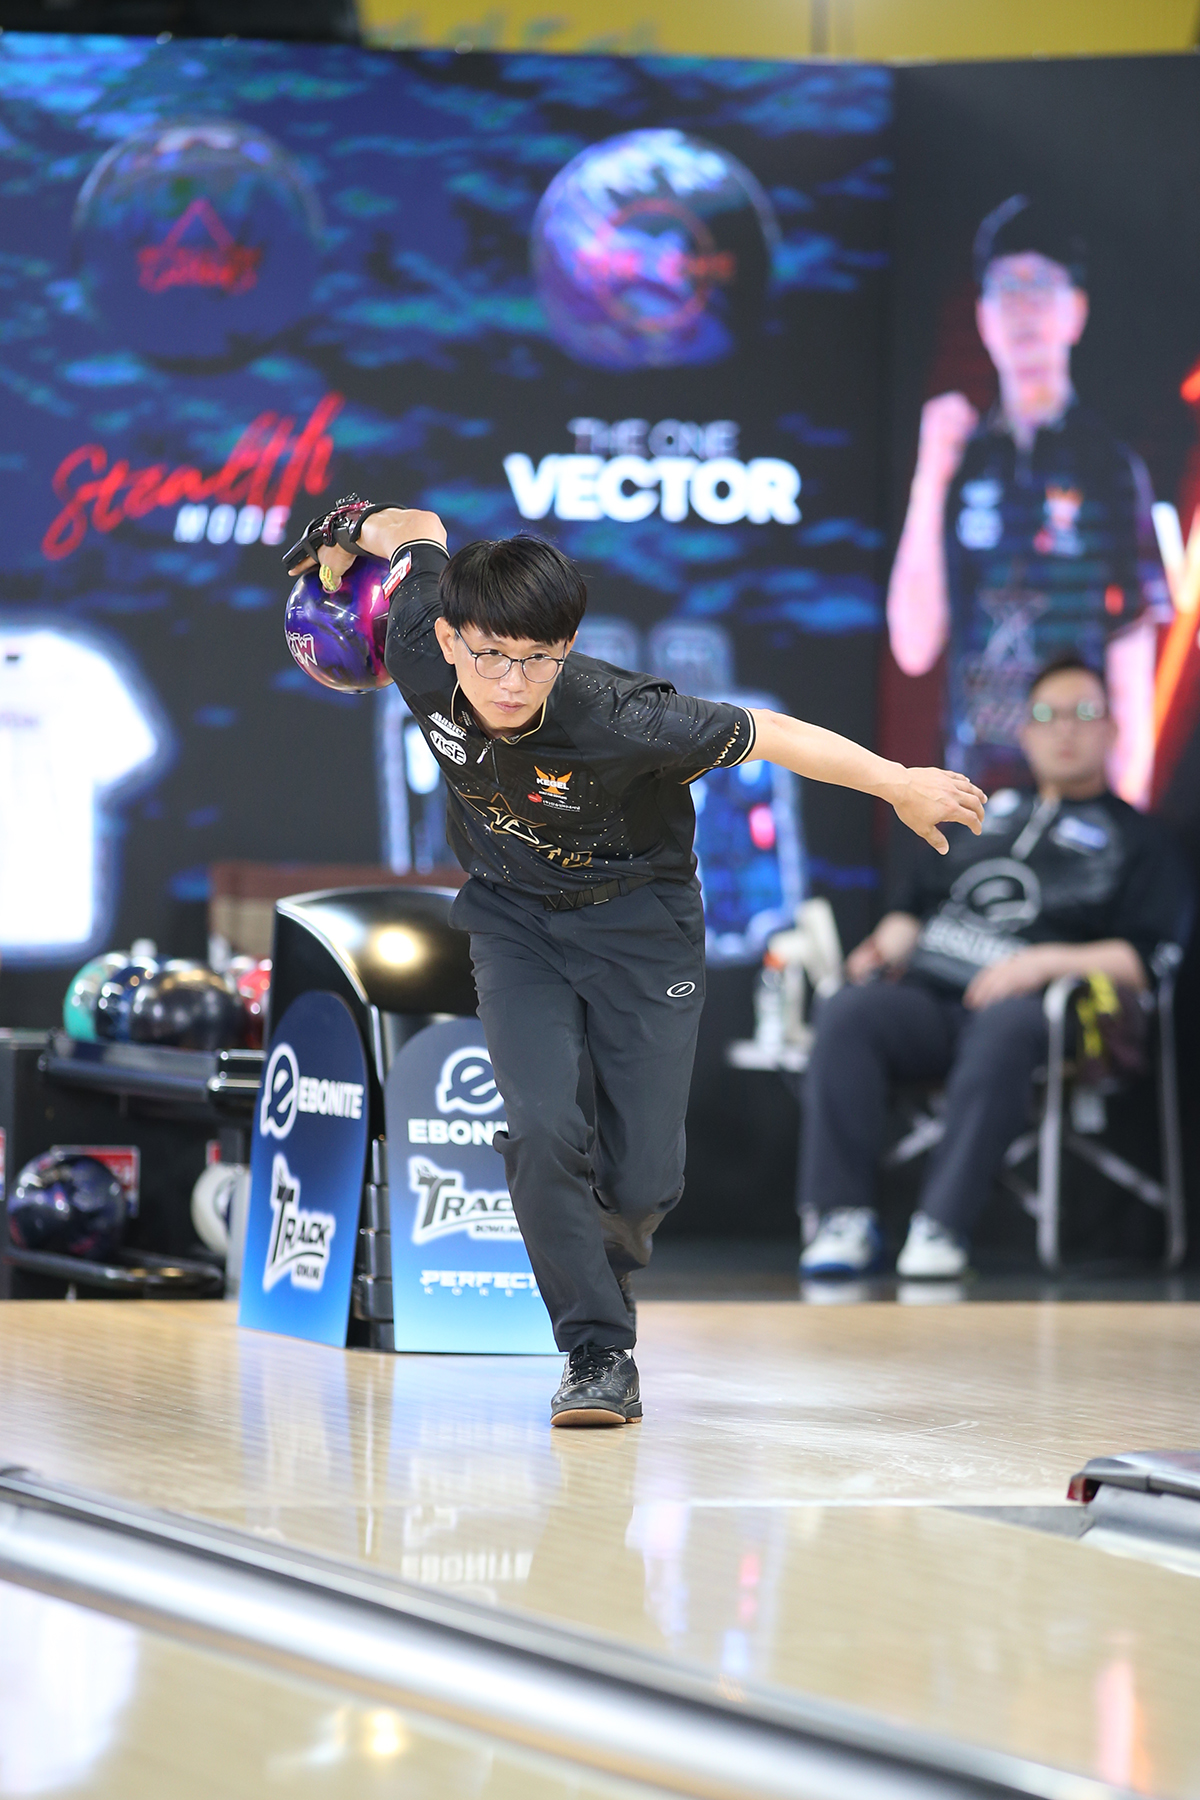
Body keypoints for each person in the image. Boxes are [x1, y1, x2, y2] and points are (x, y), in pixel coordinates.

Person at [286, 499, 985, 1422]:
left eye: (538, 659)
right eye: (490, 656)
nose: (511, 682)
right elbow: (412, 528)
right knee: (541, 1129)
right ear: (448, 640)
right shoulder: (417, 637)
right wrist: (343, 533)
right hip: (514, 921)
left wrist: (898, 783)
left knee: (645, 1179)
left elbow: (770, 733)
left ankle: (597, 1266)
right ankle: (596, 1350)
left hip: (640, 926)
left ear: (567, 649)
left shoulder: (622, 713)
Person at [799, 654, 1191, 1281]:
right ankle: (841, 1216)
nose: (1065, 729)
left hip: (1044, 1014)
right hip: (936, 999)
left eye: (1083, 713)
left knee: (1008, 1025)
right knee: (850, 1010)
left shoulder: (1143, 840)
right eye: (1047, 715)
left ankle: (941, 1225)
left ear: (1113, 728)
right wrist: (884, 945)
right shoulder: (981, 813)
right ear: (1026, 732)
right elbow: (913, 908)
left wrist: (1043, 963)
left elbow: (1147, 958)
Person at [886, 195, 1169, 806]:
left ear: (1076, 311)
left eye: (1041, 285)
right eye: (1006, 288)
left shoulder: (1110, 466)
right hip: (971, 795)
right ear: (982, 315)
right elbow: (913, 645)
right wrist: (930, 475)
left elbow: (1132, 652)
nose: (1023, 308)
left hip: (1076, 792)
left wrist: (1125, 812)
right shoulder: (960, 458)